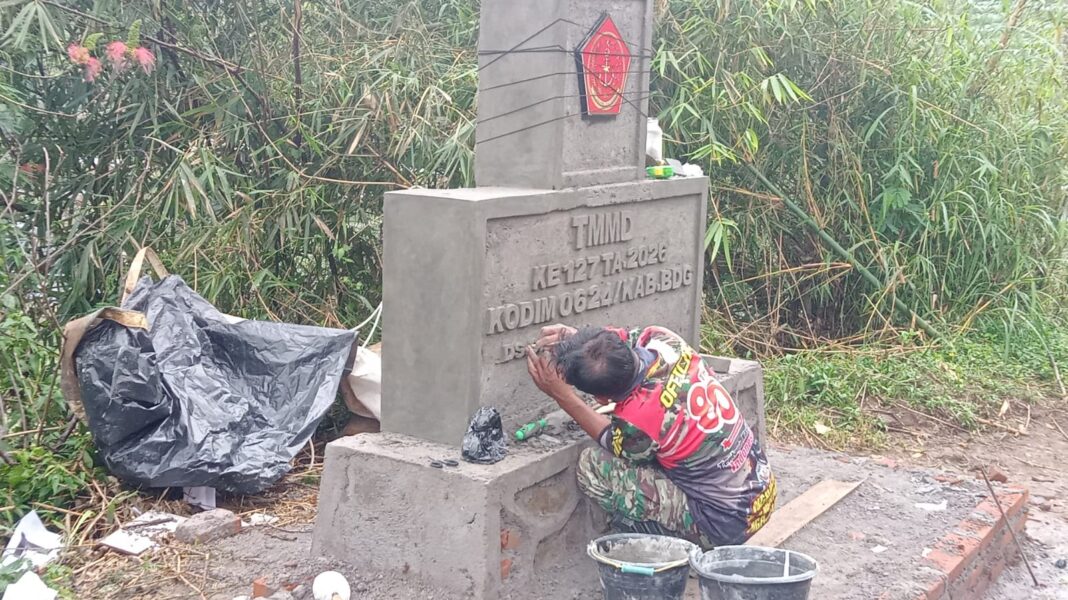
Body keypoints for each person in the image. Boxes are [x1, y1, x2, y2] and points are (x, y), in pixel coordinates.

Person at [526, 324, 776, 548]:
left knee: (592, 466)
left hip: (722, 526)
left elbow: (608, 438)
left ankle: (656, 542)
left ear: (601, 399)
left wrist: (563, 396)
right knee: (660, 452)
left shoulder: (639, 421)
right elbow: (622, 339)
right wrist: (581, 342)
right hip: (762, 494)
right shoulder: (663, 339)